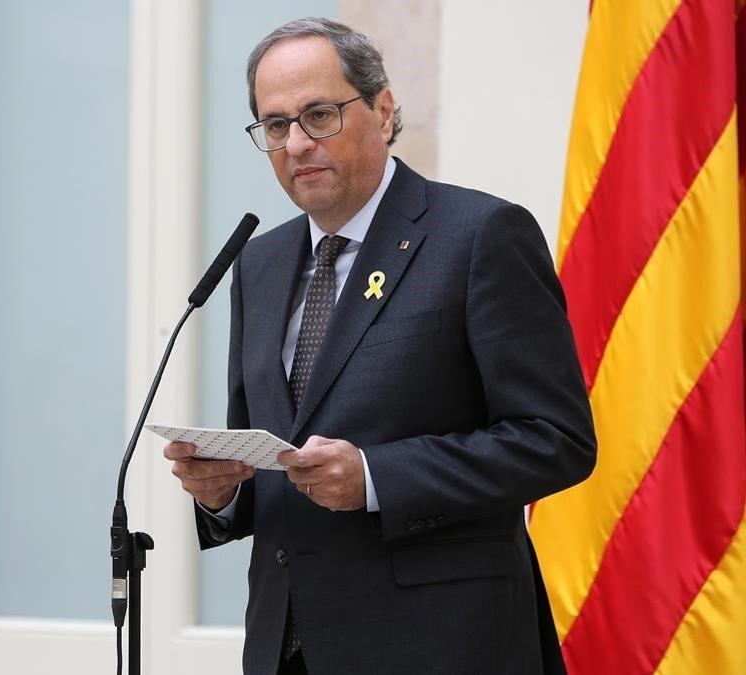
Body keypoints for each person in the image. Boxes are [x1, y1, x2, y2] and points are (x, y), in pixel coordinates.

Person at [163, 17, 595, 675]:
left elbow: (555, 439)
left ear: (384, 109)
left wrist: (374, 478)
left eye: (320, 114)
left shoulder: (479, 236)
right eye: (276, 125)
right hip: (286, 644)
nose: (298, 143)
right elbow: (280, 452)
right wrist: (221, 492)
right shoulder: (258, 263)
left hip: (440, 645)